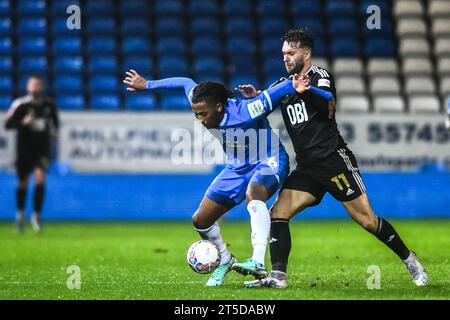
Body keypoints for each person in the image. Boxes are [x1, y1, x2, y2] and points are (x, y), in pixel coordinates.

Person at [237, 29, 428, 288]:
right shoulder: (283, 84)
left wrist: (307, 92)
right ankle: (278, 277)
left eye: (291, 53)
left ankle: (409, 259)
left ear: (306, 53)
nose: (286, 58)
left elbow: (327, 105)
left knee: (368, 221)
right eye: (283, 53)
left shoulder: (320, 77)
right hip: (307, 168)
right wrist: (255, 98)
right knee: (277, 213)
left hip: (333, 161)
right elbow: (266, 101)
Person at [123, 70, 333, 286]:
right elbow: (184, 82)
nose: (201, 120)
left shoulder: (248, 110)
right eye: (196, 114)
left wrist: (317, 92)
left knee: (255, 193)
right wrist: (147, 85)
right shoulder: (200, 98)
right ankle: (225, 259)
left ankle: (257, 261)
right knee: (200, 220)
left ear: (219, 107)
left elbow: (286, 87)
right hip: (237, 168)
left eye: (203, 114)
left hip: (268, 159)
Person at [4, 74, 59, 233]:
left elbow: (55, 122)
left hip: (42, 148)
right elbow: (8, 124)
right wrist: (23, 122)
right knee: (23, 182)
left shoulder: (49, 105)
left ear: (42, 87)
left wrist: (54, 132)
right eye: (33, 85)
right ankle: (20, 213)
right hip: (25, 149)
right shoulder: (20, 105)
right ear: (28, 87)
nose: (36, 88)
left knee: (40, 179)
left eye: (38, 85)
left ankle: (36, 215)